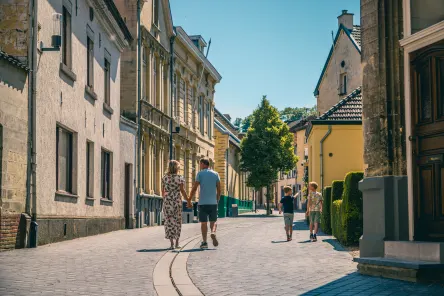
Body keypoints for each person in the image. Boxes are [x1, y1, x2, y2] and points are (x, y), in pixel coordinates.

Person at [189, 158, 221, 249]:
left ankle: (204, 242)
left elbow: (195, 188)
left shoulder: (200, 174)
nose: (200, 166)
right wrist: (217, 200)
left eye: (200, 164)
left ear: (203, 164)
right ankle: (213, 232)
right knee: (213, 221)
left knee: (203, 223)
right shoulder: (216, 174)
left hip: (202, 202)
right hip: (213, 202)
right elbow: (219, 189)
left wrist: (189, 199)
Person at [162, 160, 191, 250]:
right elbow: (182, 190)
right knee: (178, 221)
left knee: (169, 221)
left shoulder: (165, 177)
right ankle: (177, 243)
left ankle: (171, 244)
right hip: (177, 200)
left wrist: (165, 199)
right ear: (177, 168)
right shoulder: (179, 178)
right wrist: (188, 201)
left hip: (167, 201)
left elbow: (163, 191)